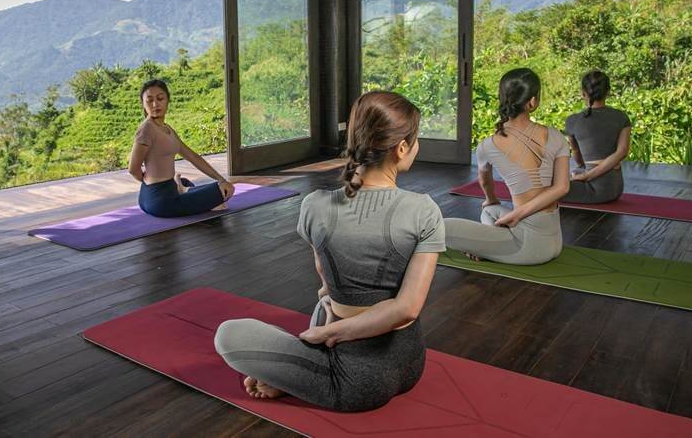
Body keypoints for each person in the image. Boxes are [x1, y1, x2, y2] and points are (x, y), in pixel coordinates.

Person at [214, 91, 446, 412]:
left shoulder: (315, 206)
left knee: (228, 334)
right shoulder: (425, 210)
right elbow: (407, 309)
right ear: (402, 147)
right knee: (323, 310)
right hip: (409, 361)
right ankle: (294, 370)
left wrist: (329, 333)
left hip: (355, 378)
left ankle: (293, 371)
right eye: (415, 140)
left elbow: (325, 285)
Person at [444, 68, 570, 264]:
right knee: (489, 210)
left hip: (526, 248)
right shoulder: (556, 136)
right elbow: (562, 187)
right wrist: (499, 207)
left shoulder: (487, 146)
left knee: (442, 227)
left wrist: (514, 213)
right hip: (554, 242)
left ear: (502, 99)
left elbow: (485, 183)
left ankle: (485, 247)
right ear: (532, 101)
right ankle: (488, 245)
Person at [129, 79, 234, 217]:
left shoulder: (167, 129)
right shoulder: (146, 129)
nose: (155, 104)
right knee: (221, 192)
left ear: (167, 100)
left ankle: (182, 188)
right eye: (149, 100)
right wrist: (150, 184)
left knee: (210, 185)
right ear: (143, 104)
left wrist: (221, 179)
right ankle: (185, 191)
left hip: (168, 189)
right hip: (160, 201)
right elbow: (133, 169)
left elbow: (192, 156)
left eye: (160, 98)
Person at [563, 71, 632, 203]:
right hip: (616, 188)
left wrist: (587, 175)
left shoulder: (573, 120)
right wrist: (583, 173)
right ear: (608, 92)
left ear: (583, 93)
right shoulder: (621, 117)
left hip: (594, 190)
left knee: (540, 185)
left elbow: (577, 157)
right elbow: (622, 152)